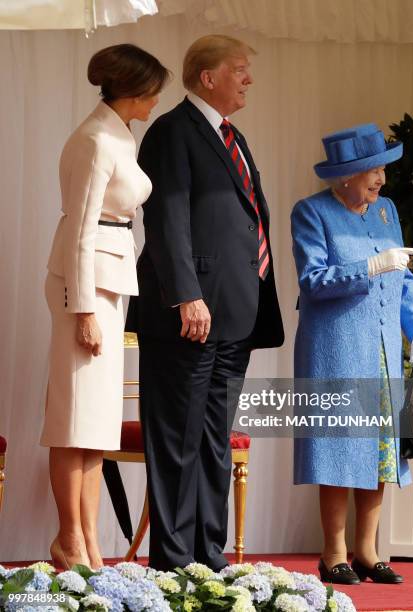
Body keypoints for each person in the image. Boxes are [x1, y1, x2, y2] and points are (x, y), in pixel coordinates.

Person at [126, 34, 284, 571]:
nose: (248, 79)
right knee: (178, 442)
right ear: (208, 77)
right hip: (188, 315)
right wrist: (187, 296)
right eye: (239, 69)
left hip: (235, 314)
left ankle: (206, 560)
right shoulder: (172, 132)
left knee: (214, 441)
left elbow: (246, 220)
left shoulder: (231, 135)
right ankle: (171, 565)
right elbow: (167, 220)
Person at [40, 44, 169, 570]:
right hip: (86, 283)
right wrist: (83, 308)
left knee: (94, 424)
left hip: (109, 279)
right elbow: (79, 227)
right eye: (154, 90)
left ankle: (89, 543)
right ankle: (69, 540)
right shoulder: (96, 139)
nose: (158, 98)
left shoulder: (118, 133)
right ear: (135, 91)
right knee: (74, 421)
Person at [291, 123, 413, 585]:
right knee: (337, 448)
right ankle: (333, 553)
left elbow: (404, 278)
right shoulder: (311, 213)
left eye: (383, 170)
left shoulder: (387, 211)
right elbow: (312, 280)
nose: (382, 180)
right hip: (336, 348)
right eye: (373, 171)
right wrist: (370, 266)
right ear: (345, 175)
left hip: (385, 347)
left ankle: (368, 551)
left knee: (380, 454)